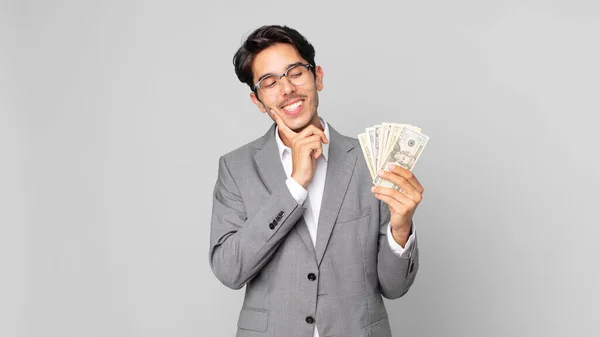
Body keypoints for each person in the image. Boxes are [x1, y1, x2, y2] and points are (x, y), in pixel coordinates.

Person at [209, 25, 424, 337]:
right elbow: (229, 271)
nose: (286, 89)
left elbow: (395, 287)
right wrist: (295, 185)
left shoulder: (370, 161)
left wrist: (401, 227)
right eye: (269, 82)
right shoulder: (236, 168)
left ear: (317, 76)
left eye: (295, 72)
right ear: (258, 101)